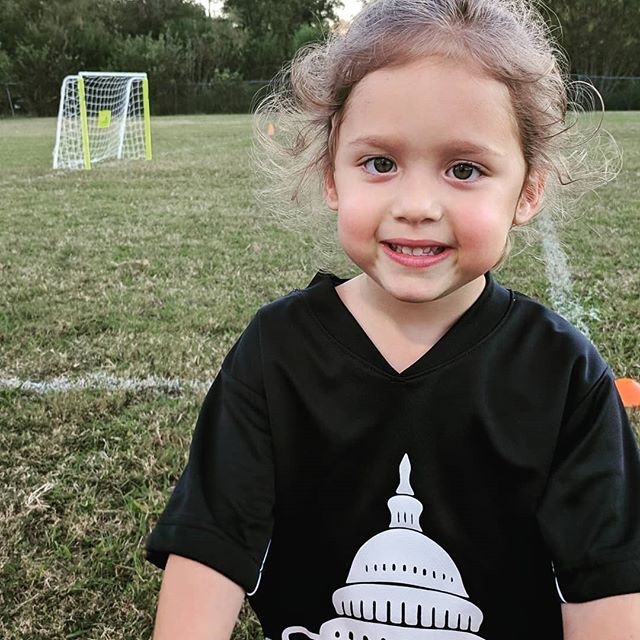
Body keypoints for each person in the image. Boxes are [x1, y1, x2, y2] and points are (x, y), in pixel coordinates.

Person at [146, 1, 640, 638]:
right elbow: (209, 551)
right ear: (332, 176)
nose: (415, 206)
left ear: (527, 191)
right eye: (379, 164)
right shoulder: (276, 353)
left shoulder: (563, 374)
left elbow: (606, 586)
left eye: (464, 169)